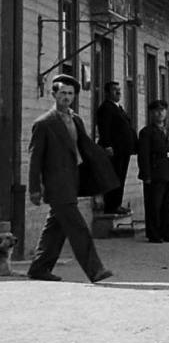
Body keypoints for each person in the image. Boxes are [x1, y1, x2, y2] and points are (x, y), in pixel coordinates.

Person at [26, 73, 116, 283]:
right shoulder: (44, 123)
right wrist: (34, 189)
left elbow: (84, 147)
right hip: (56, 184)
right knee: (78, 227)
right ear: (54, 94)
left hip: (73, 180)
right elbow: (35, 159)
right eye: (62, 93)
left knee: (56, 228)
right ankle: (95, 270)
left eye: (70, 93)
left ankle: (39, 268)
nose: (66, 97)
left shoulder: (76, 119)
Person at [136, 98, 169, 243]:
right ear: (151, 113)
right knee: (154, 205)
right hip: (155, 172)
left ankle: (167, 233)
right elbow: (143, 155)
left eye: (162, 110)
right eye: (156, 111)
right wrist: (146, 174)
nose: (160, 114)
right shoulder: (147, 132)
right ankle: (154, 234)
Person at [94, 80, 136, 216]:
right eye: (114, 90)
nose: (118, 92)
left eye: (119, 89)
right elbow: (104, 128)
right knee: (114, 178)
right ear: (107, 93)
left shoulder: (119, 108)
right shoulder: (105, 108)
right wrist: (107, 145)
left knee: (121, 178)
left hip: (123, 150)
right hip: (114, 151)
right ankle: (111, 205)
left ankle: (117, 204)